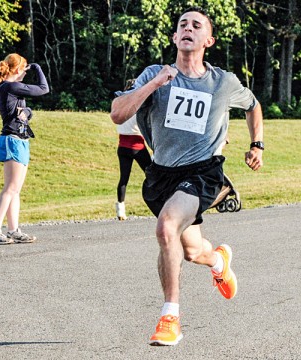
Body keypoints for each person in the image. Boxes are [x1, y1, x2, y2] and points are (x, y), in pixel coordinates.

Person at [110, 7, 264, 346]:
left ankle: (170, 317)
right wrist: (153, 84)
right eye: (182, 25)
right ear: (174, 37)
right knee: (192, 251)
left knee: (166, 227)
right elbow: (118, 113)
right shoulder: (155, 73)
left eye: (196, 25)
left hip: (203, 172)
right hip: (162, 174)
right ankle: (219, 260)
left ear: (208, 40)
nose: (188, 29)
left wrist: (257, 144)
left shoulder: (221, 82)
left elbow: (253, 105)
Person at [0, 53, 49, 245]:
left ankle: (13, 230)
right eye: (24, 68)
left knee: (16, 189)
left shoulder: (9, 89)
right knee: (10, 188)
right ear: (18, 69)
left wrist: (28, 112)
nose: (25, 72)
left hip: (20, 139)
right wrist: (37, 68)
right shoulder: (11, 86)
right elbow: (43, 89)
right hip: (12, 139)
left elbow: (24, 113)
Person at [115, 79, 152, 220]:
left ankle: (120, 208)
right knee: (152, 174)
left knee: (124, 178)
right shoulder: (137, 108)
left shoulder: (120, 107)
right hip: (137, 146)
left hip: (122, 146)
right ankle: (157, 200)